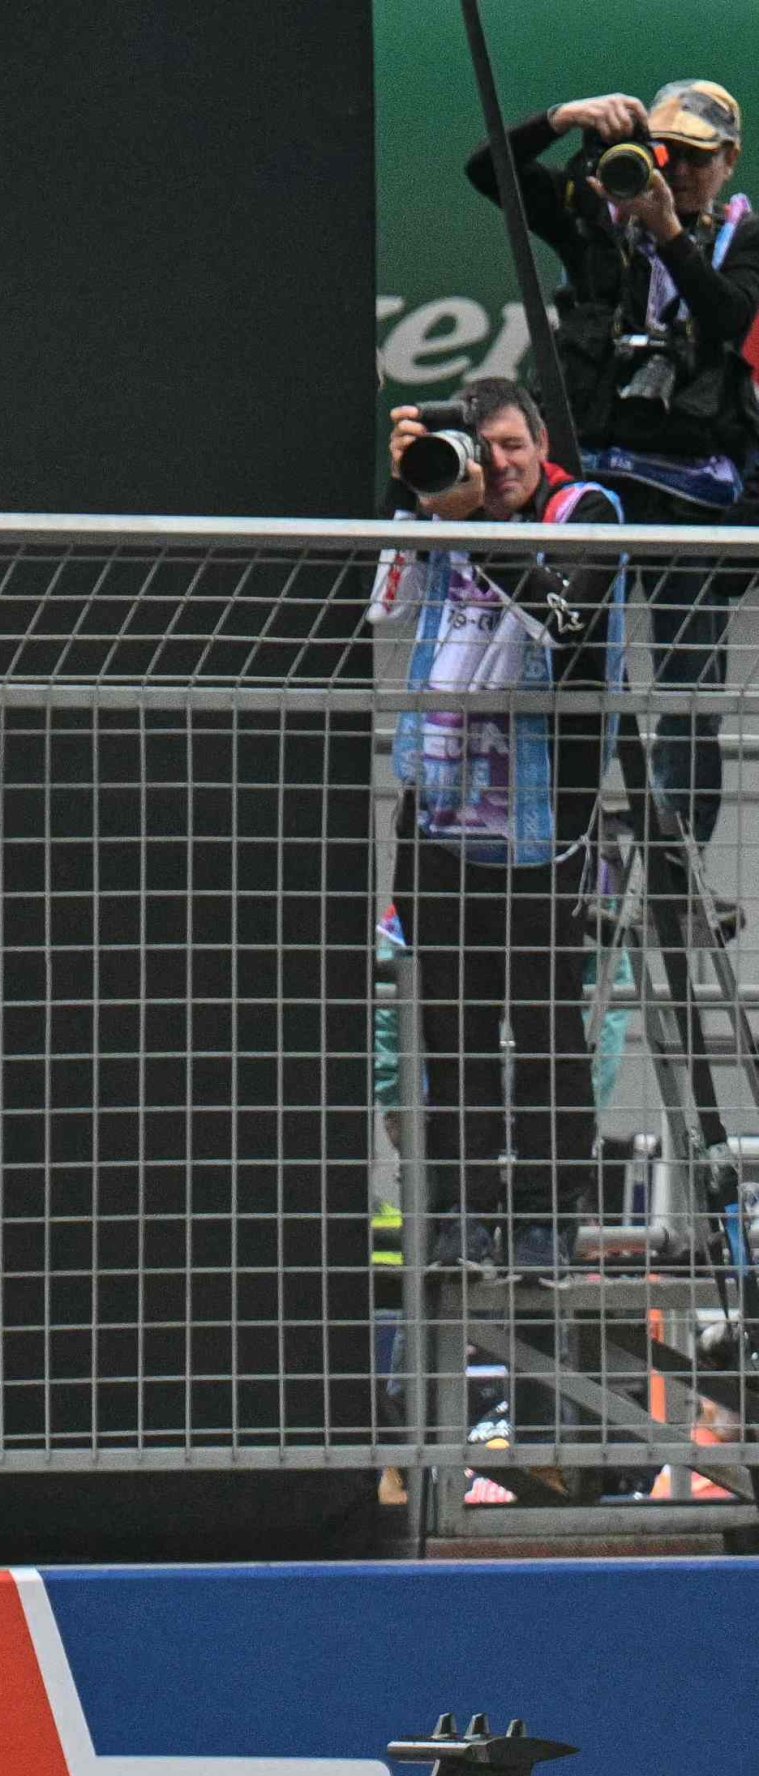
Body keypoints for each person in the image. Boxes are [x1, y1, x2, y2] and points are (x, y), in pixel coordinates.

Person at [370, 379, 622, 1271]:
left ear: (540, 443)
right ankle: (461, 1218)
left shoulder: (585, 508)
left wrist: (480, 524)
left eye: (513, 446)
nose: (499, 466)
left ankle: (546, 1220)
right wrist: (406, 484)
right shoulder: (442, 512)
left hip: (540, 830)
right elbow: (380, 603)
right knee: (451, 1028)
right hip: (438, 820)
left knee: (545, 1027)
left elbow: (564, 618)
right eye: (484, 450)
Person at [471, 81, 759, 843]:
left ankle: (679, 863)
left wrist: (668, 232)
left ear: (730, 161)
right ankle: (572, 848)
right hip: (594, 483)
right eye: (668, 155)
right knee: (570, 673)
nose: (680, 172)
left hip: (692, 497)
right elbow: (484, 170)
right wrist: (559, 118)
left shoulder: (747, 238)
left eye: (700, 158)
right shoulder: (596, 220)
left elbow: (733, 322)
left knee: (689, 692)